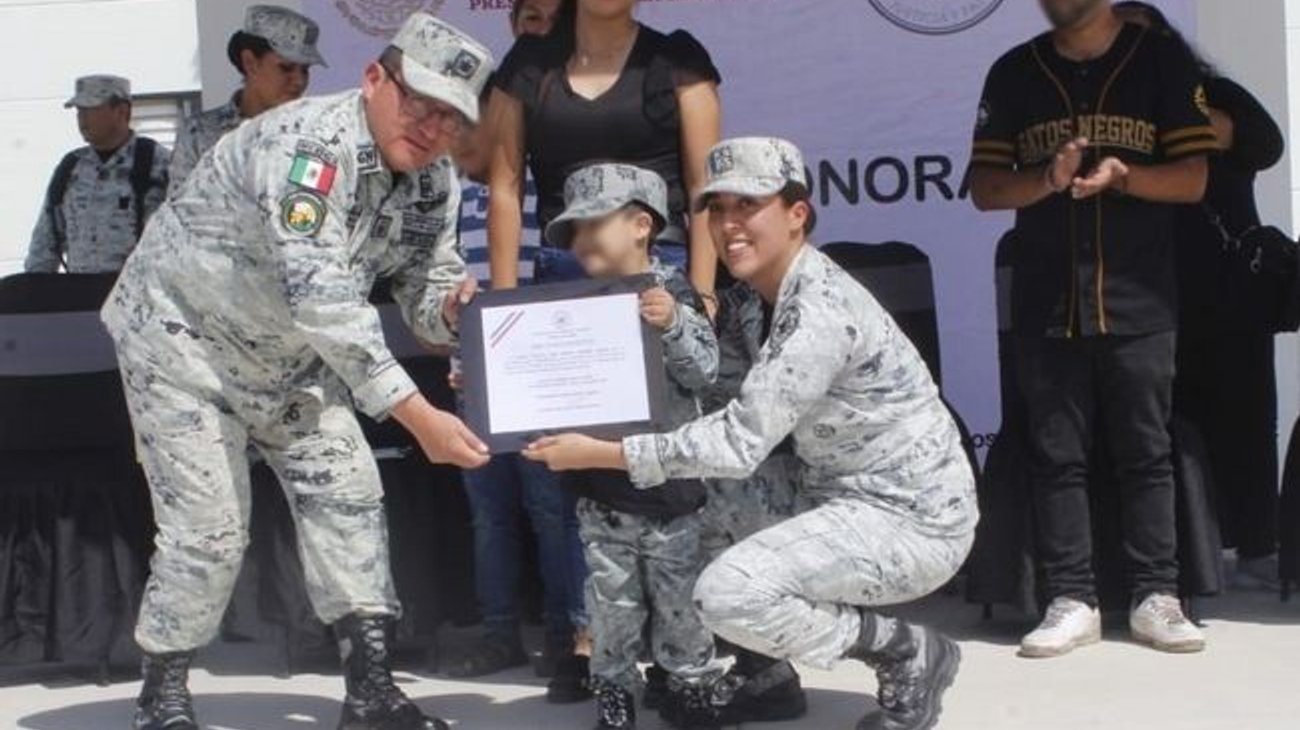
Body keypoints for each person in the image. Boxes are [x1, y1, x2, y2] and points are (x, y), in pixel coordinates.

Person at [102, 13, 493, 730]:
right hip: (183, 345)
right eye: (420, 103)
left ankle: (370, 692)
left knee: (349, 493)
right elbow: (323, 302)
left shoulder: (433, 181)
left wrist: (455, 311)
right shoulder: (307, 149)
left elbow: (427, 288)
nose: (432, 127)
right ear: (375, 79)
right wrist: (419, 416)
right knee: (209, 530)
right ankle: (162, 697)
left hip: (289, 358)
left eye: (450, 116)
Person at [525, 137, 979, 730]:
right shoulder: (750, 301)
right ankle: (766, 676)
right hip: (830, 493)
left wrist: (610, 454)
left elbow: (739, 441)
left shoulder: (819, 309)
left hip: (907, 520)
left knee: (727, 593)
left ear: (797, 215)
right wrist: (513, 381)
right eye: (718, 208)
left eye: (749, 205)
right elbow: (702, 399)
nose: (729, 224)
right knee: (694, 505)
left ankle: (903, 650)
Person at [969, 0, 1217, 658]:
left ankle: (1156, 595)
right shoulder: (1015, 71)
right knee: (1057, 456)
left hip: (1139, 297)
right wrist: (1046, 179)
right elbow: (986, 189)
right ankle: (1071, 597)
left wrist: (1125, 176)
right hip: (1048, 300)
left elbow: (1193, 179)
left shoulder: (1160, 61)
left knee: (1147, 453)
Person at [440, 0, 590, 704]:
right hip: (472, 376)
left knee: (552, 508)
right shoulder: (450, 195)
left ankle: (566, 636)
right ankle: (499, 629)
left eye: (466, 126)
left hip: (539, 373)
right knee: (489, 511)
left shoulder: (537, 184)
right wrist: (455, 346)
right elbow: (440, 285)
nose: (455, 140)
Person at [539, 162, 723, 729]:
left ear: (642, 225)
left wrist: (674, 325)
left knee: (681, 605)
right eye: (574, 229)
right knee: (610, 607)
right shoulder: (571, 305)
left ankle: (690, 689)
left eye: (595, 223)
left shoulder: (676, 293)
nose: (581, 239)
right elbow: (546, 381)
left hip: (673, 495)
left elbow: (705, 373)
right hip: (603, 497)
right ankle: (615, 695)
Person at [1115, 2, 1287, 591]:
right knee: (1164, 423)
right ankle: (1188, 550)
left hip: (1230, 287)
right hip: (1148, 288)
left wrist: (1166, 103)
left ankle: (1257, 544)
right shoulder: (1101, 112)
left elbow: (1263, 143)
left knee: (1246, 417)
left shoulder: (1213, 94)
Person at [485, 0, 722, 298]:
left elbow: (704, 187)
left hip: (660, 265)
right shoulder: (528, 64)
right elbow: (504, 190)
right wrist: (503, 300)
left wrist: (703, 296)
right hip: (564, 267)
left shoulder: (679, 58)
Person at [167, 5, 326, 197]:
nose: (299, 80)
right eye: (286, 68)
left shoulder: (315, 136)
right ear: (250, 62)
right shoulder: (198, 135)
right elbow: (181, 208)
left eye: (305, 70)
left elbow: (318, 204)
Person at [25, 75, 169, 273]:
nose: (82, 118)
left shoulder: (158, 163)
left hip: (139, 288)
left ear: (121, 111)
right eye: (79, 111)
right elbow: (44, 246)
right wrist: (34, 287)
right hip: (81, 290)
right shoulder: (71, 167)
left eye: (90, 109)